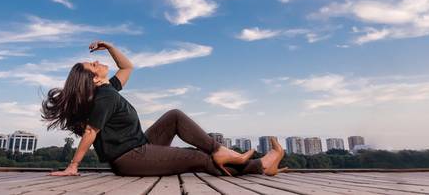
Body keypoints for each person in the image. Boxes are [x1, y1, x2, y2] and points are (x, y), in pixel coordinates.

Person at [41, 40, 287, 177]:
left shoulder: (108, 89)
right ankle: (261, 166)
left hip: (138, 146)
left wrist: (110, 46)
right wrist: (72, 167)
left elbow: (127, 68)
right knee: (198, 158)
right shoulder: (104, 95)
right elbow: (91, 132)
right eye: (93, 65)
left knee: (174, 117)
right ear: (94, 80)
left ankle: (221, 150)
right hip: (130, 159)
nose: (97, 62)